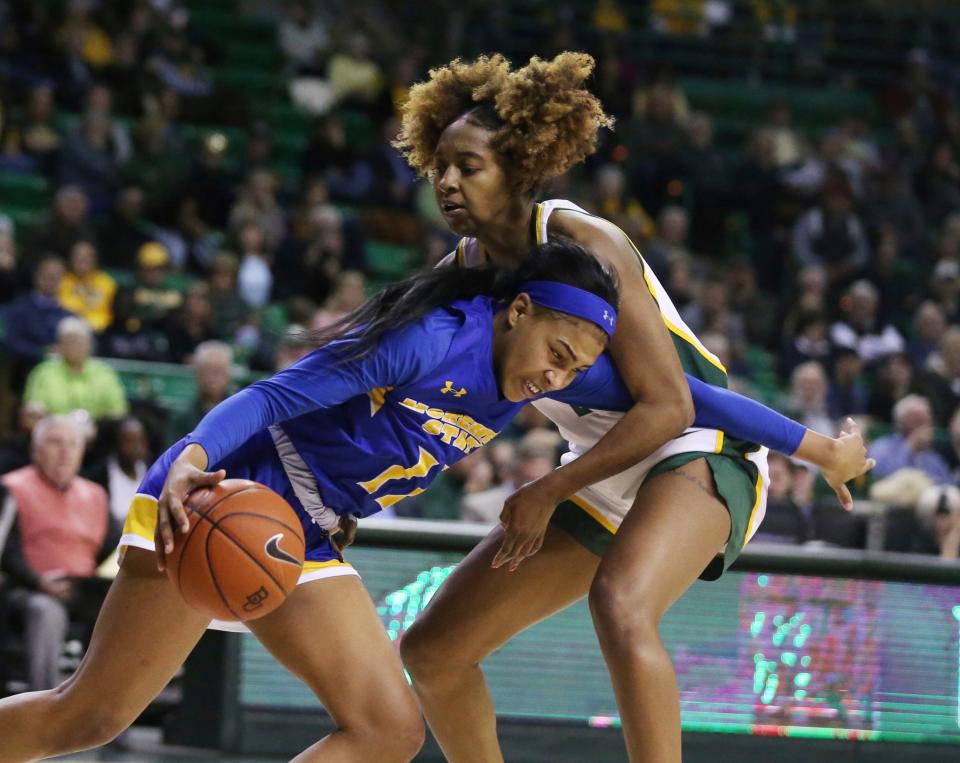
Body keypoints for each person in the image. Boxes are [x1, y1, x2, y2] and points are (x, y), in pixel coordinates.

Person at [391, 53, 872, 763]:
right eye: (441, 165)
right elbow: (395, 386)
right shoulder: (463, 274)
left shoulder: (589, 240)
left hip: (698, 443)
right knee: (432, 649)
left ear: (519, 169)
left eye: (470, 165)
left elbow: (673, 404)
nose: (448, 180)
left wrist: (547, 488)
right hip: (596, 463)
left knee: (621, 603)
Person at [0, 240, 625, 762]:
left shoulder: (543, 364)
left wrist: (720, 432)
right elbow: (270, 397)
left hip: (309, 527)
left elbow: (676, 400)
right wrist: (193, 456)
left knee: (388, 730)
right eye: (558, 359)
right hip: (231, 489)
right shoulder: (427, 341)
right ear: (519, 310)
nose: (559, 380)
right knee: (91, 715)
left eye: (574, 373)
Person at [0, 415, 116, 691]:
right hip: (29, 589)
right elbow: (6, 549)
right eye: (55, 443)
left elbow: (115, 549)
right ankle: (46, 705)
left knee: (121, 609)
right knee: (47, 612)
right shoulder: (13, 488)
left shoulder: (95, 495)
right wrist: (38, 581)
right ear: (35, 451)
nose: (65, 453)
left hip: (81, 588)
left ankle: (104, 710)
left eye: (73, 445)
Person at [23, 317, 128, 421]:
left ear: (89, 345)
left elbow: (118, 411)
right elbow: (33, 408)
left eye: (78, 341)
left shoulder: (105, 373)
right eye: (68, 341)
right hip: (54, 430)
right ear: (60, 346)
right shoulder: (43, 372)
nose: (73, 346)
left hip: (98, 431)